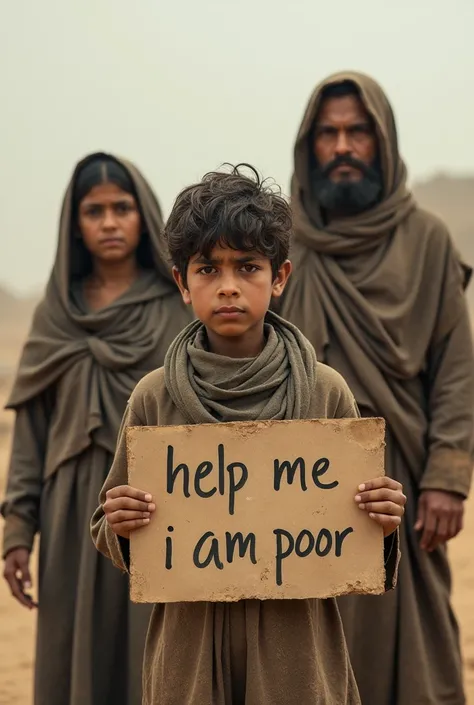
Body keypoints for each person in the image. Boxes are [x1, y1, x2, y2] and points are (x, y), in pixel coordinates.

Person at [91, 164, 406, 705]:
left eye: (248, 266)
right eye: (208, 269)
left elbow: (355, 541)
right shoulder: (154, 396)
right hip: (187, 649)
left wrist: (382, 515)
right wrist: (121, 523)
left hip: (296, 647)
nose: (229, 286)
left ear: (279, 277)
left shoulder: (325, 391)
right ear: (181, 282)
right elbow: (110, 527)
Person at [279, 71, 474, 705]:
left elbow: (454, 369)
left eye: (357, 132)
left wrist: (447, 475)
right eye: (328, 134)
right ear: (309, 148)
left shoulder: (427, 241)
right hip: (295, 491)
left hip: (404, 484)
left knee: (413, 653)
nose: (342, 147)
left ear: (382, 141)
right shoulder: (282, 246)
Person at [1, 152, 192, 705]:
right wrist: (18, 531)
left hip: (158, 509)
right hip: (71, 519)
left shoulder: (176, 309)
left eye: (122, 208)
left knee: (154, 655)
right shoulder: (55, 316)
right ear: (75, 225)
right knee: (76, 656)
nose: (109, 222)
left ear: (144, 215)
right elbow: (32, 432)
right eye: (94, 211)